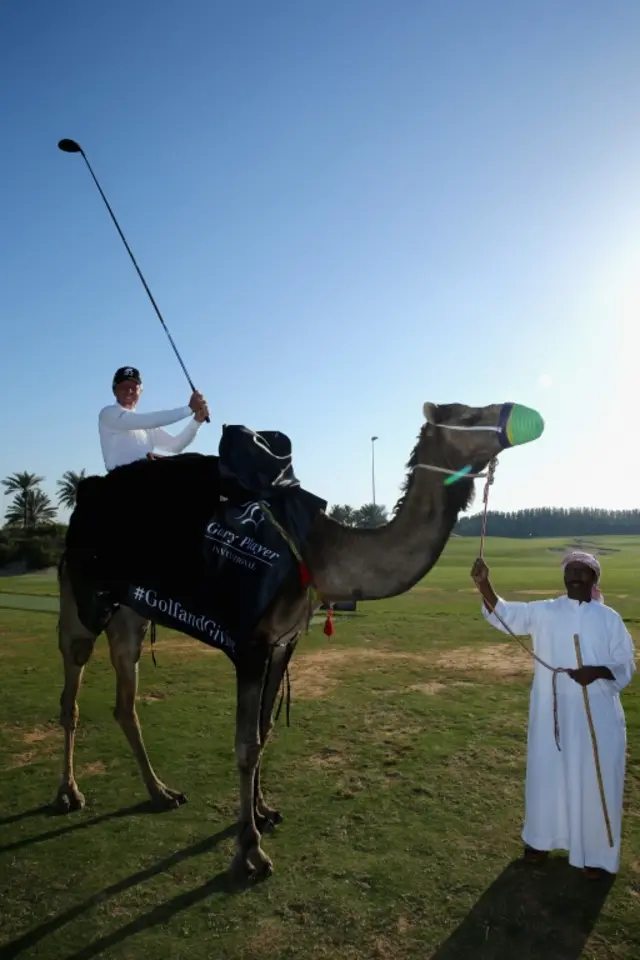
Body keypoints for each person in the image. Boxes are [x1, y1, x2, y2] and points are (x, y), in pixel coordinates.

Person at [471, 550, 635, 880]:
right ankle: (540, 842)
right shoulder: (546, 611)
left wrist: (598, 671)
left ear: (594, 579)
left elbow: (626, 664)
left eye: (582, 571)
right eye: (570, 571)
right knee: (546, 777)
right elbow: (504, 615)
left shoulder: (610, 619)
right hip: (552, 714)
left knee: (594, 782)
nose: (575, 576)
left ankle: (597, 857)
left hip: (597, 718)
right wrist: (484, 584)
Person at [98, 366, 210, 472]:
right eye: (124, 387)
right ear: (114, 390)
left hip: (146, 480)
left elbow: (175, 445)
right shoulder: (107, 414)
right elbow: (145, 420)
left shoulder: (146, 426)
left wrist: (196, 422)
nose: (129, 391)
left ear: (140, 391)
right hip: (119, 482)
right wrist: (189, 409)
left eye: (134, 387)